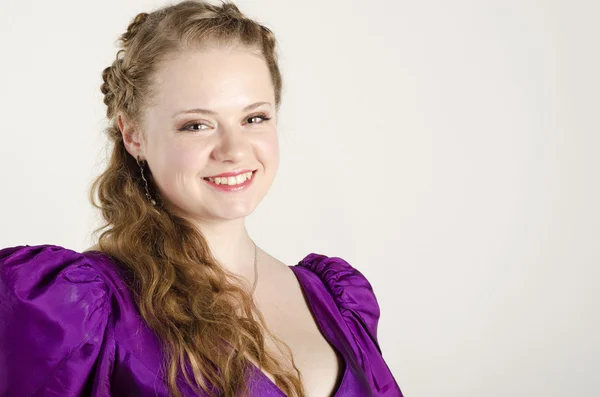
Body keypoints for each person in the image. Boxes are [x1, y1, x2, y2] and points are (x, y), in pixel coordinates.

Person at [0, 1, 403, 396]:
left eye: (254, 118)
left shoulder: (336, 298)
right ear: (133, 135)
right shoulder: (77, 311)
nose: (234, 149)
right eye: (196, 125)